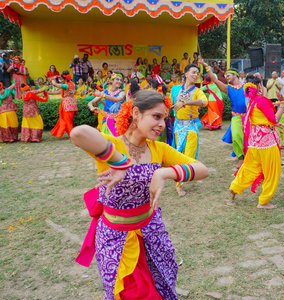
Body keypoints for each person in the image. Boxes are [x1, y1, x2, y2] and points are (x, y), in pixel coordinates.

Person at [71, 89, 209, 300]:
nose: (162, 124)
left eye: (164, 118)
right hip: (116, 240)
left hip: (152, 234)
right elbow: (78, 133)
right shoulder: (114, 145)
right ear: (136, 113)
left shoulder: (159, 149)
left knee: (161, 288)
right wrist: (119, 161)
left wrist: (165, 172)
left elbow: (202, 169)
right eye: (156, 116)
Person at [229, 75, 284, 209]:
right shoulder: (262, 101)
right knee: (272, 171)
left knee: (251, 167)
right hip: (266, 143)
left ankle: (235, 187)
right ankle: (263, 202)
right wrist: (282, 105)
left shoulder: (251, 101)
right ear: (259, 86)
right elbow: (274, 120)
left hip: (254, 142)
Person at [170, 64, 208, 196]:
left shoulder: (197, 91)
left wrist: (186, 103)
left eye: (197, 73)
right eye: (193, 72)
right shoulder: (175, 90)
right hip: (177, 127)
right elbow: (171, 105)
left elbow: (204, 102)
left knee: (188, 156)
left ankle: (179, 184)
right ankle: (182, 176)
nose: (195, 75)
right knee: (178, 154)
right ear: (185, 74)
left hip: (191, 127)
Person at [200, 59, 247, 164]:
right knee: (236, 136)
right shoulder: (227, 88)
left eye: (228, 75)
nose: (226, 77)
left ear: (235, 75)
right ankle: (240, 158)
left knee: (248, 138)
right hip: (236, 117)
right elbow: (215, 80)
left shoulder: (247, 86)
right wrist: (206, 66)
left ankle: (249, 156)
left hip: (249, 117)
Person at [50, 70, 78, 137]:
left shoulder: (66, 85)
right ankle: (71, 133)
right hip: (73, 103)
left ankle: (71, 134)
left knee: (67, 120)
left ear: (65, 78)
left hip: (67, 103)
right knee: (69, 119)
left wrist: (52, 79)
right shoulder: (73, 84)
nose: (61, 80)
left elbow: (55, 84)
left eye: (62, 79)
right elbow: (62, 90)